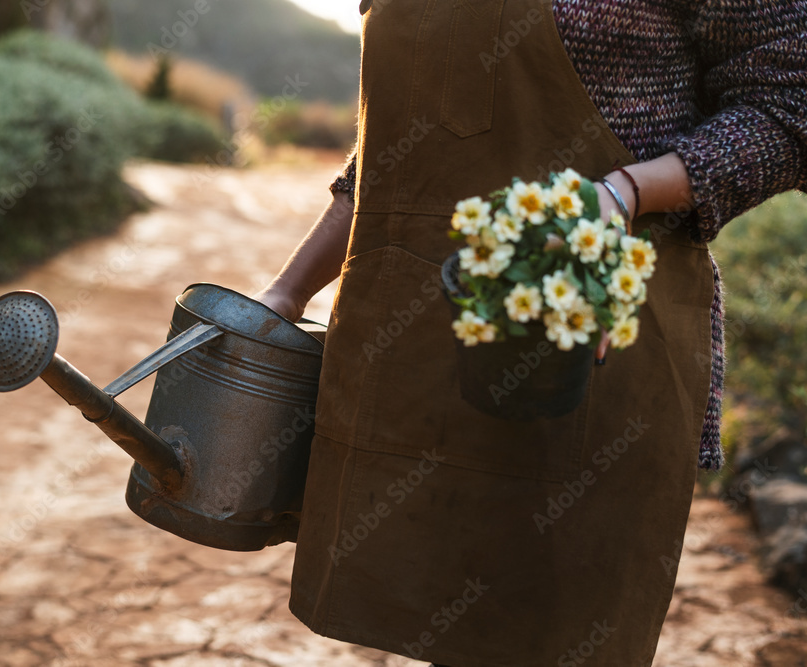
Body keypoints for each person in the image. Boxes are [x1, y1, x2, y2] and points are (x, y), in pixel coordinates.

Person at [257, 1, 807, 665]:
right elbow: (391, 150)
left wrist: (624, 193)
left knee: (550, 637)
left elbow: (791, 106)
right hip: (409, 358)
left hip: (582, 353)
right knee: (439, 629)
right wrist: (285, 293)